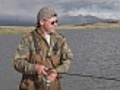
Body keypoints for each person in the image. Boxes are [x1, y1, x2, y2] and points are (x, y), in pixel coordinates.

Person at [13, 6, 73, 90]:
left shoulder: (60, 39)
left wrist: (57, 71)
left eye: (56, 21)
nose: (56, 25)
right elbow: (17, 62)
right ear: (42, 22)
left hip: (54, 87)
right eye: (52, 22)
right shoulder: (28, 39)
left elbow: (68, 59)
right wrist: (35, 68)